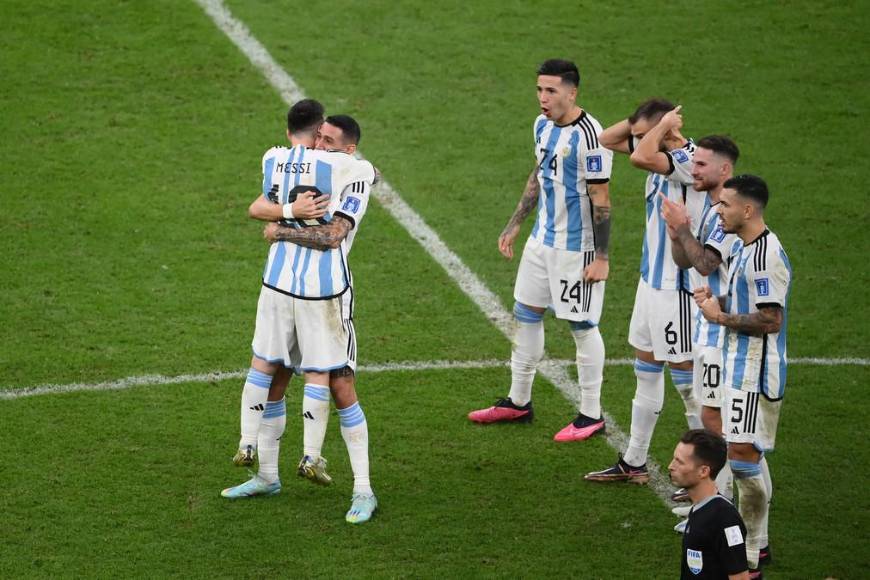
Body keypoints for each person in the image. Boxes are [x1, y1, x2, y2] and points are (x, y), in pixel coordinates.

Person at [222, 104, 379, 525]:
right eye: (319, 137)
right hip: (286, 290)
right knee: (274, 377)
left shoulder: (355, 178)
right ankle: (267, 476)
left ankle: (363, 489)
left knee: (340, 385)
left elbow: (333, 235)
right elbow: (259, 205)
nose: (319, 146)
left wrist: (281, 230)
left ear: (349, 149)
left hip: (327, 296)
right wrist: (287, 212)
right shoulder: (309, 167)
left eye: (329, 142)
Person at [468, 59, 614, 442]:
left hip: (576, 249)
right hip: (541, 241)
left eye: (551, 91)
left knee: (581, 326)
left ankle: (591, 413)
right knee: (525, 313)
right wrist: (516, 222)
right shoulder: (541, 125)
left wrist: (601, 257)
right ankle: (518, 401)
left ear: (572, 92)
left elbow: (601, 199)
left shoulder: (592, 137)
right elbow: (539, 174)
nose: (543, 98)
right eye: (539, 89)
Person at [585, 100, 708, 483]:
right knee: (646, 369)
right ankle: (634, 462)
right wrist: (644, 123)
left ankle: (710, 477)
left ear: (667, 132)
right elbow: (606, 138)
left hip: (678, 289)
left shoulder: (688, 160)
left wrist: (661, 126)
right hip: (651, 284)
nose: (638, 140)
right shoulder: (655, 149)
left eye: (645, 133)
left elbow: (640, 156)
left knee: (688, 384)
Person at [694, 174, 790, 576]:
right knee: (741, 454)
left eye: (726, 205)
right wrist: (717, 302)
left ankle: (752, 551)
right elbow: (745, 300)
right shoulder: (744, 247)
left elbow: (771, 320)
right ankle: (754, 544)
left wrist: (720, 318)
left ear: (747, 210)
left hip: (755, 372)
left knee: (744, 461)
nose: (719, 210)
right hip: (737, 365)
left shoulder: (766, 255)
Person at [660, 135, 741, 509]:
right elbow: (685, 262)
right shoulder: (710, 208)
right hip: (707, 323)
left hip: (724, 329)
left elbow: (707, 263)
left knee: (720, 422)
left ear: (725, 169)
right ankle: (714, 500)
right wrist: (677, 234)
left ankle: (725, 500)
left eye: (702, 164)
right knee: (710, 416)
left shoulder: (728, 214)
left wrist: (683, 230)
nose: (693, 170)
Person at [669, 429, 749, 580]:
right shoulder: (700, 508)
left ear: (703, 471)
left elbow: (741, 578)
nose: (671, 466)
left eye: (679, 462)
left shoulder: (725, 519)